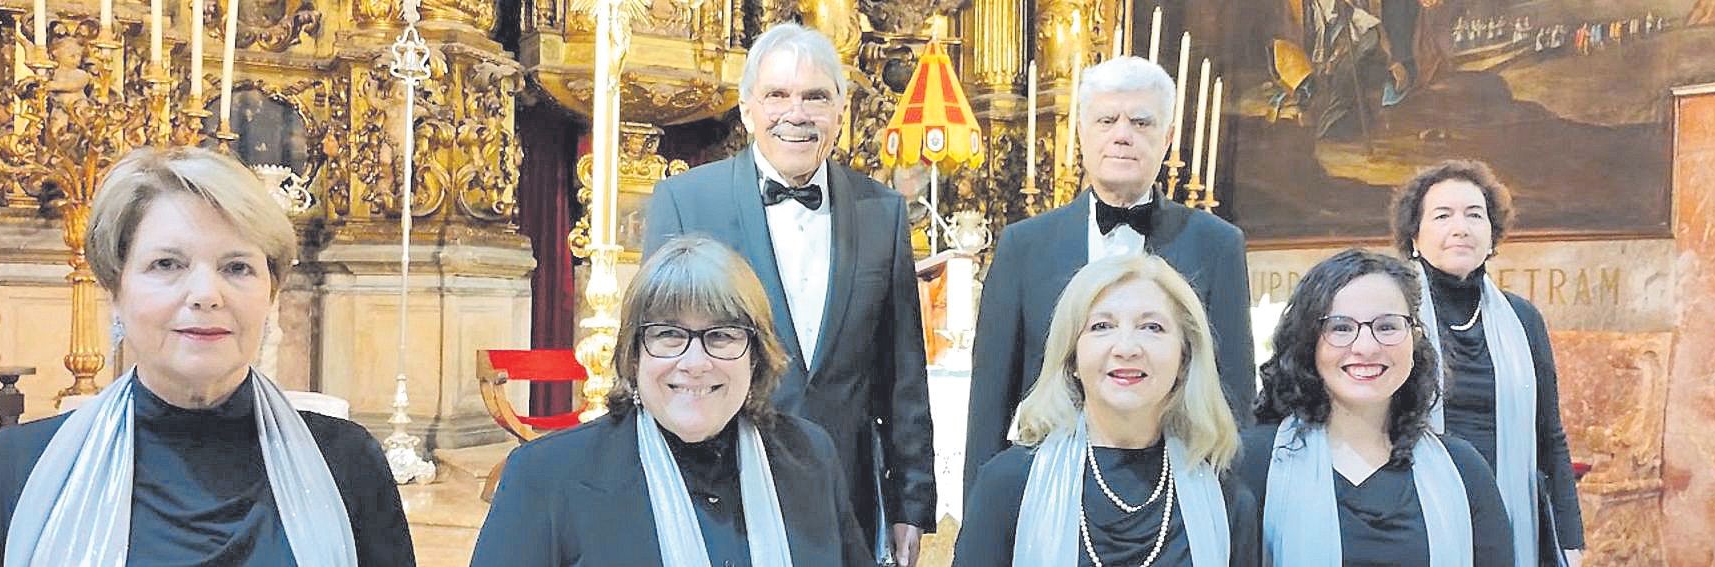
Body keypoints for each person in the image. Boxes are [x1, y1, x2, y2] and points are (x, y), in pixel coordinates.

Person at [0, 147, 414, 566]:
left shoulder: (347, 464)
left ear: (271, 293)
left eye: (236, 267)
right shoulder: (18, 469)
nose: (206, 295)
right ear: (115, 290)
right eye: (167, 264)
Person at [644, 22, 935, 565]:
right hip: (715, 487)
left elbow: (903, 377)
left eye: (816, 97)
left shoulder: (883, 212)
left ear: (840, 113)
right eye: (777, 95)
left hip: (844, 497)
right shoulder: (686, 202)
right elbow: (657, 354)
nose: (796, 114)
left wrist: (910, 503)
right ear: (748, 108)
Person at [470, 236, 871, 565]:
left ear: (757, 354)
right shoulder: (545, 477)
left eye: (722, 335)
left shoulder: (811, 456)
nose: (694, 363)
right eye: (668, 335)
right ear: (633, 354)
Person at [965, 55, 1254, 497]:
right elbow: (990, 400)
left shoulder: (1217, 245)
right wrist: (980, 515)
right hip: (1049, 485)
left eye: (1141, 122)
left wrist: (1238, 513)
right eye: (1107, 120)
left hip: (1177, 487)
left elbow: (1234, 395)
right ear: (1082, 131)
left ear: (1168, 138)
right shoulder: (1023, 246)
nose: (1122, 135)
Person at [953, 254, 1258, 567]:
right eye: (1102, 326)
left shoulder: (1226, 501)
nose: (1126, 348)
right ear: (1072, 357)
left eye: (1152, 327)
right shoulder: (1008, 485)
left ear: (1185, 357)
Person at [1236, 249, 1511, 565]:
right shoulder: (1256, 462)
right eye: (1340, 327)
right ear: (1308, 341)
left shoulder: (1464, 470)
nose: (1365, 347)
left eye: (1387, 326)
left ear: (1415, 338)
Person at [1389, 160, 1584, 566]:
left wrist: (1570, 537)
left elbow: (1549, 434)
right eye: (1442, 215)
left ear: (1492, 234)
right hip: (1412, 515)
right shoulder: (1391, 312)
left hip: (1506, 517)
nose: (1461, 227)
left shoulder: (1523, 318)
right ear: (1414, 234)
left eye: (1474, 215)